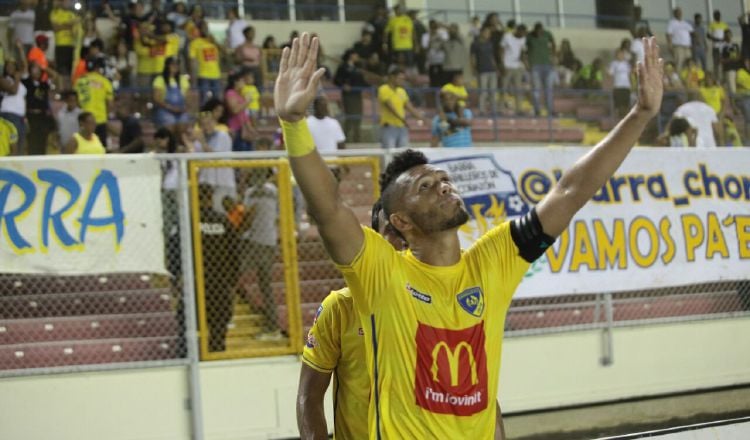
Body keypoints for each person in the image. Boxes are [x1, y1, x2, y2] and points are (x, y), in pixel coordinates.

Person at [274, 32, 664, 439]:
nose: (444, 186)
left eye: (443, 179)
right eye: (425, 187)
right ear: (401, 222)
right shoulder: (381, 274)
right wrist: (294, 124)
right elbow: (329, 208)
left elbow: (570, 191)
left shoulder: (494, 260)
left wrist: (639, 113)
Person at [238, 167, 282, 342]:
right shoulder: (257, 192)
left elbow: (248, 217)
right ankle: (272, 326)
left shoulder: (267, 191)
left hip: (261, 242)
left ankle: (272, 327)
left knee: (261, 283)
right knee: (263, 284)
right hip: (260, 241)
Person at [197, 183, 239, 352]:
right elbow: (234, 251)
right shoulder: (222, 220)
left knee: (194, 320)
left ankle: (195, 351)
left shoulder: (191, 220)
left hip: (198, 279)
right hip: (220, 279)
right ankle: (216, 349)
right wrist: (233, 279)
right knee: (219, 322)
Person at [377, 66, 422, 149]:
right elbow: (390, 107)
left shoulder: (402, 91)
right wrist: (403, 119)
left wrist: (422, 118)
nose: (402, 81)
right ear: (392, 77)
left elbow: (409, 107)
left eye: (403, 79)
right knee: (389, 153)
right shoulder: (383, 89)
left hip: (402, 127)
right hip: (389, 127)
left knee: (403, 153)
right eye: (400, 79)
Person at [74, 57, 113, 146]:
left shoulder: (79, 81)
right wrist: (105, 115)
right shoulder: (105, 82)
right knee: (100, 148)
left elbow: (77, 102)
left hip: (84, 120)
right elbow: (110, 104)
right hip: (100, 120)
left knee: (83, 146)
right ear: (98, 68)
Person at [334, 50, 368, 143]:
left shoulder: (358, 67)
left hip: (357, 94)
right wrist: (343, 85)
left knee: (358, 116)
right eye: (356, 54)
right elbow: (336, 79)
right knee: (350, 116)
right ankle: (344, 138)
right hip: (348, 95)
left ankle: (357, 138)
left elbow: (362, 81)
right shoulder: (343, 67)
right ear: (351, 55)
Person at [24, 61, 55, 155]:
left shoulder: (43, 85)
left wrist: (43, 67)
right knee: (32, 141)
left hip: (42, 116)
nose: (37, 71)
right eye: (34, 68)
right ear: (30, 70)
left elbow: (54, 76)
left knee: (42, 140)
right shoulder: (25, 82)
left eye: (38, 69)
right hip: (30, 115)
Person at [526, 22, 556, 116]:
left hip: (547, 65)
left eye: (540, 31)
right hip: (535, 66)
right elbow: (523, 49)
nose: (539, 33)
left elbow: (553, 43)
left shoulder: (547, 34)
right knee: (536, 89)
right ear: (534, 30)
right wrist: (527, 63)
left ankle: (550, 110)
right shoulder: (529, 36)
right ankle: (537, 109)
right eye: (537, 31)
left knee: (549, 89)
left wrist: (553, 55)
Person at [153, 56, 190, 129]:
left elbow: (188, 97)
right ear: (167, 66)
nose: (175, 66)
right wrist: (171, 108)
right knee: (170, 123)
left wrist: (185, 108)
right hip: (165, 109)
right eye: (172, 64)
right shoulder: (160, 79)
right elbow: (156, 98)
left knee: (183, 125)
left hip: (181, 109)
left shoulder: (183, 79)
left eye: (177, 64)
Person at [190, 22, 222, 105]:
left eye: (207, 27)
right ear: (199, 30)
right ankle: (203, 116)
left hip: (216, 75)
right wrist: (193, 77)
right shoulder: (195, 43)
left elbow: (224, 52)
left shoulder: (212, 41)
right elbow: (192, 61)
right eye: (203, 27)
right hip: (203, 75)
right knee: (203, 99)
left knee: (217, 100)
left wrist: (215, 41)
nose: (206, 29)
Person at [500, 24, 527, 114]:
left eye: (524, 34)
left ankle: (519, 109)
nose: (522, 35)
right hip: (507, 66)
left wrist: (524, 63)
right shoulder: (507, 36)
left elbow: (522, 51)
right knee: (504, 88)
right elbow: (501, 50)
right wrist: (502, 65)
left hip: (517, 66)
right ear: (517, 31)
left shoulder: (523, 39)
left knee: (518, 89)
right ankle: (500, 109)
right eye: (521, 33)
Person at [471, 26, 498, 115]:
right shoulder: (475, 44)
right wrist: (474, 68)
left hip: (492, 70)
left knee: (493, 91)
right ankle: (482, 110)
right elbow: (473, 57)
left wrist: (496, 67)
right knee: (483, 91)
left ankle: (493, 109)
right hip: (482, 70)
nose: (488, 34)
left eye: (489, 33)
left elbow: (492, 56)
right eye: (486, 32)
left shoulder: (490, 43)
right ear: (481, 32)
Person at [49, 0, 78, 77]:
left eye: (69, 1)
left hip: (70, 46)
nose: (67, 3)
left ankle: (68, 88)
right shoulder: (55, 13)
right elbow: (55, 28)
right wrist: (69, 25)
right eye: (65, 1)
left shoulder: (72, 15)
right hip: (60, 45)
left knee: (69, 70)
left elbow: (74, 32)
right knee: (60, 70)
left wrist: (63, 25)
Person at [384, 5, 415, 69]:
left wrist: (416, 44)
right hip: (397, 46)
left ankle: (409, 77)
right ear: (394, 11)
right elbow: (386, 32)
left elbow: (413, 32)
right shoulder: (392, 20)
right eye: (397, 9)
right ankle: (399, 76)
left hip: (408, 45)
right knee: (398, 63)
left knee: (409, 63)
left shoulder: (408, 19)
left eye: (400, 9)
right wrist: (385, 44)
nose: (399, 11)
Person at [609, 49, 632, 118]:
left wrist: (632, 85)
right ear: (616, 55)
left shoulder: (627, 64)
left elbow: (630, 75)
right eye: (619, 54)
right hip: (618, 86)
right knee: (618, 105)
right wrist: (611, 85)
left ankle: (625, 118)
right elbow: (610, 74)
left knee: (626, 104)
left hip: (626, 86)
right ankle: (618, 118)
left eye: (622, 54)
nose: (621, 56)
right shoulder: (613, 64)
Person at [720, 30, 741, 94]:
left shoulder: (735, 44)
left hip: (736, 68)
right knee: (731, 87)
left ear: (731, 35)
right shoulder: (722, 46)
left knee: (737, 85)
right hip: (728, 69)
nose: (728, 37)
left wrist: (736, 58)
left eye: (729, 35)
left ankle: (736, 100)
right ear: (724, 36)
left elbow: (739, 56)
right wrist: (730, 59)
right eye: (726, 35)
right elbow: (721, 60)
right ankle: (733, 101)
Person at [708, 10, 729, 78]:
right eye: (715, 15)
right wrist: (716, 39)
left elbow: (728, 34)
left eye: (718, 14)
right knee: (716, 64)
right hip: (716, 47)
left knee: (724, 63)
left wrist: (725, 39)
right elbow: (708, 35)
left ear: (720, 15)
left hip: (723, 48)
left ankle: (724, 78)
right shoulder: (712, 24)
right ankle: (717, 79)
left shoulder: (724, 24)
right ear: (714, 16)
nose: (717, 16)